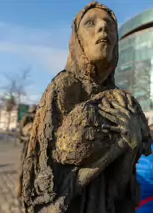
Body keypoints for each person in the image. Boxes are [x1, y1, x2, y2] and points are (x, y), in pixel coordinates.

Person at [21, 2, 152, 213]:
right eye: (90, 23)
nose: (102, 28)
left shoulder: (125, 103)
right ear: (78, 39)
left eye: (109, 25)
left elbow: (120, 188)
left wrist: (129, 148)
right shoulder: (63, 88)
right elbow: (48, 192)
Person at [17, 104, 37, 200]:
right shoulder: (26, 118)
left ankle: (29, 189)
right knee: (23, 168)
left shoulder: (38, 117)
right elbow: (20, 134)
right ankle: (20, 190)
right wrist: (27, 138)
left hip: (35, 146)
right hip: (27, 145)